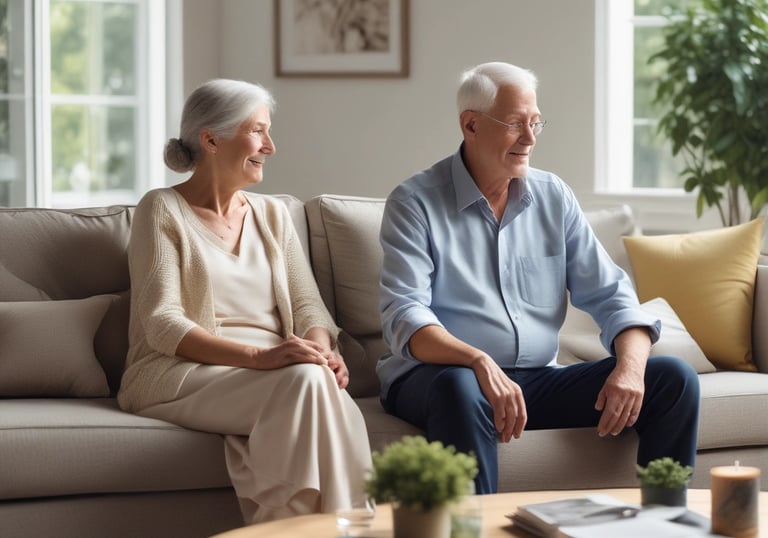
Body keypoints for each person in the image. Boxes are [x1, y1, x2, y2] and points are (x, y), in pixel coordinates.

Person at [377, 62, 701, 494]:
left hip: (535, 380)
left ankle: (664, 520)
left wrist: (630, 368)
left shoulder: (553, 196)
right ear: (470, 125)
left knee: (674, 378)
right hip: (437, 377)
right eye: (514, 124)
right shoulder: (414, 202)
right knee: (460, 386)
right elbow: (405, 316)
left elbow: (612, 296)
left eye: (535, 123)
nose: (530, 138)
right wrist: (478, 360)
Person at [117, 78, 372, 523]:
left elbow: (309, 305)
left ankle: (303, 528)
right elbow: (163, 323)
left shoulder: (272, 214)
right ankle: (356, 527)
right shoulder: (160, 209)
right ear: (211, 139)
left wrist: (322, 351)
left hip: (280, 373)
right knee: (308, 384)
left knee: (314, 380)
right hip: (181, 372)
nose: (270, 146)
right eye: (257, 131)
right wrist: (262, 357)